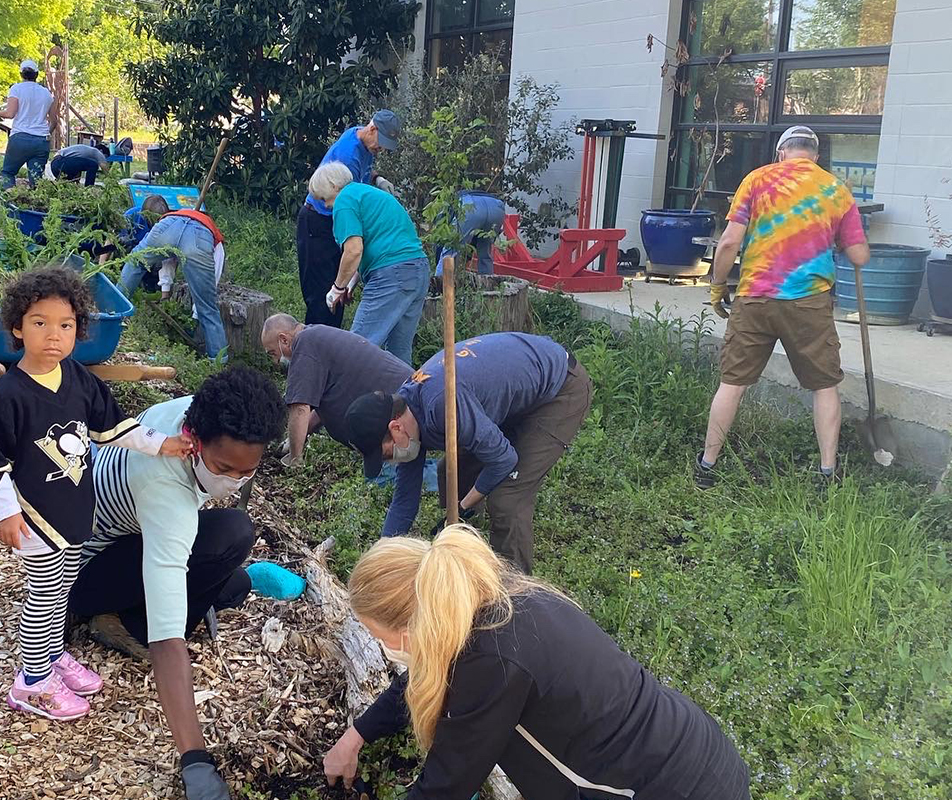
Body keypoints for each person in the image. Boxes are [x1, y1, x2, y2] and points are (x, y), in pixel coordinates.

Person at [323, 526, 752, 800]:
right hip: (694, 749)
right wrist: (355, 737)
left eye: (379, 637)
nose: (384, 649)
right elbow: (427, 676)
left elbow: (445, 787)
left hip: (664, 788)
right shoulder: (496, 598)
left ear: (413, 624)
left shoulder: (492, 661)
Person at [0, 266, 192, 721]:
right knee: (44, 597)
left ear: (79, 330)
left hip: (75, 509)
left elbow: (114, 428)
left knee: (63, 589)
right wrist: (6, 514)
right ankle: (32, 683)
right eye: (40, 323)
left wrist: (164, 444)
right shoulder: (11, 395)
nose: (53, 335)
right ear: (17, 326)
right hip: (37, 516)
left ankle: (51, 659)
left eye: (66, 325)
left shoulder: (77, 378)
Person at [68, 367, 287, 799]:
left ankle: (164, 597)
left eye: (248, 470)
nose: (235, 479)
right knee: (233, 534)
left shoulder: (191, 412)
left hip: (133, 536)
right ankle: (124, 623)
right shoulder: (164, 485)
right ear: (194, 441)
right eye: (225, 468)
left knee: (233, 584)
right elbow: (168, 642)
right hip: (80, 576)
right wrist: (196, 762)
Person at [697, 126, 869, 487]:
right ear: (815, 156)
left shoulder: (756, 180)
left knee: (732, 382)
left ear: (781, 153)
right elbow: (859, 255)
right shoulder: (836, 189)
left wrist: (717, 286)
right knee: (824, 386)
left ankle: (707, 466)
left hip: (755, 298)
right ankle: (827, 472)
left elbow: (729, 243)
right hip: (808, 304)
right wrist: (837, 236)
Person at [345, 332, 593, 573]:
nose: (390, 461)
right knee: (450, 472)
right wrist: (379, 560)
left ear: (395, 428)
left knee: (507, 498)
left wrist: (460, 508)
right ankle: (466, 550)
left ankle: (513, 593)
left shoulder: (442, 404)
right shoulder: (407, 410)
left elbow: (504, 460)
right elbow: (404, 502)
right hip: (513, 392)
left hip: (558, 389)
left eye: (386, 454)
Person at [308, 162, 430, 365]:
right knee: (398, 353)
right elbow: (371, 246)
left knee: (356, 348)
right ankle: (406, 396)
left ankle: (339, 396)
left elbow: (353, 251)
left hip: (392, 274)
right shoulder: (366, 193)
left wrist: (337, 288)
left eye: (323, 198)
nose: (326, 205)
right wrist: (350, 284)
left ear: (332, 185)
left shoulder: (344, 200)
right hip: (416, 271)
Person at [260, 313, 414, 466]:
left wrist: (294, 459)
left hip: (401, 413)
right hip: (405, 400)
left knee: (391, 474)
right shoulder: (315, 336)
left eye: (273, 353)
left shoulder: (304, 344)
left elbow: (299, 407)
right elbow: (324, 402)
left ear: (284, 339)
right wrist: (296, 437)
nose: (275, 361)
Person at [297, 110, 402, 328]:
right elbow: (351, 203)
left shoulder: (361, 139)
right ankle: (314, 348)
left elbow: (363, 175)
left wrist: (377, 178)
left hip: (336, 219)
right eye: (380, 144)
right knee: (321, 294)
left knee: (338, 289)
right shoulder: (348, 156)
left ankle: (333, 346)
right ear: (372, 129)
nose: (380, 149)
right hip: (319, 222)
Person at [120, 205, 228, 359]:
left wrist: (165, 290)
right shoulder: (215, 238)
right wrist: (198, 312)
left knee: (135, 262)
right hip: (199, 238)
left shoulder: (175, 214)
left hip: (167, 226)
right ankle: (218, 361)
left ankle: (113, 312)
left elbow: (167, 257)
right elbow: (212, 281)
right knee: (209, 309)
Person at [0, 59, 55, 190]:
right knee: (36, 180)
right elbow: (54, 121)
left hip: (20, 138)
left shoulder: (16, 89)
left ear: (21, 74)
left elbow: (10, 113)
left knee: (8, 173)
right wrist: (47, 135)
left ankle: (8, 206)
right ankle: (35, 207)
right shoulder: (46, 93)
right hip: (41, 141)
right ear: (37, 74)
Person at [436, 190, 506, 276]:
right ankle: (486, 284)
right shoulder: (457, 198)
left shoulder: (447, 206)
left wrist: (438, 261)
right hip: (496, 207)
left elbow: (441, 239)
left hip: (471, 205)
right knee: (485, 252)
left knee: (450, 250)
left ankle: (440, 284)